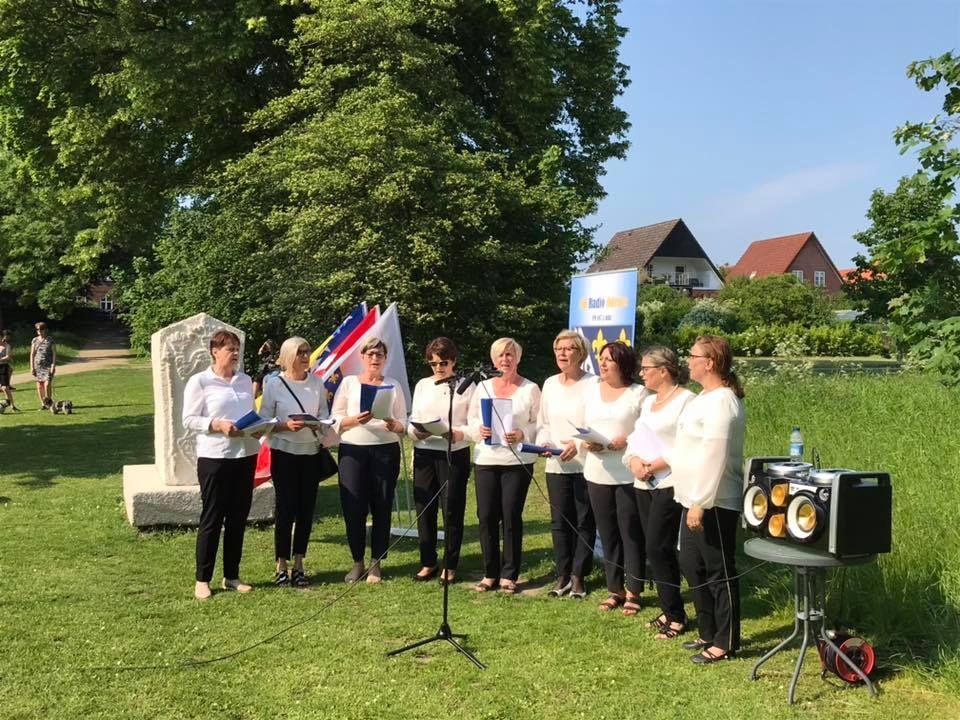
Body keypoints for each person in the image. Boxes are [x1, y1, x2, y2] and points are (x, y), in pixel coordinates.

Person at [644, 335, 745, 664]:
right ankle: (706, 630)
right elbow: (688, 447)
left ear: (710, 363)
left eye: (693, 355)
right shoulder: (704, 398)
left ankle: (725, 641)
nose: (688, 360)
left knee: (718, 571)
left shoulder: (723, 401)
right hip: (690, 496)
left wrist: (701, 502)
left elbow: (714, 455)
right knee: (692, 565)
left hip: (715, 500)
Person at [182, 329, 261, 600]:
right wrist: (216, 425)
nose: (235, 353)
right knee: (212, 518)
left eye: (237, 348)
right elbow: (189, 419)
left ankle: (232, 575)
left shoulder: (244, 380)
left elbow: (248, 414)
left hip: (245, 454)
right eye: (230, 348)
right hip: (215, 457)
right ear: (215, 351)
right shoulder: (200, 381)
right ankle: (202, 579)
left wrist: (258, 427)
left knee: (238, 518)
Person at [625, 346, 695, 639]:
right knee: (653, 548)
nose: (641, 374)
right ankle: (668, 610)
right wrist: (634, 462)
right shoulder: (648, 402)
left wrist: (654, 464)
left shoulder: (686, 401)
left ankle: (677, 616)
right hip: (643, 482)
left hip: (668, 481)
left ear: (664, 370)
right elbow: (635, 437)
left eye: (646, 369)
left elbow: (685, 443)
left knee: (659, 546)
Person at [467, 337, 541, 594]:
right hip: (486, 459)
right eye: (500, 355)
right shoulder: (483, 387)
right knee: (486, 516)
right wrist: (480, 429)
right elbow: (472, 419)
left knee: (510, 516)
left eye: (510, 355)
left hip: (516, 461)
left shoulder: (530, 388)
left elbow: (539, 423)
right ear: (493, 359)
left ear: (518, 358)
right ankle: (489, 572)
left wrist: (522, 433)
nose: (505, 359)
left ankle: (509, 574)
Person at [330, 337, 407, 584]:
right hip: (353, 450)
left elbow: (403, 422)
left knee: (382, 505)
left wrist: (395, 424)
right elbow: (336, 418)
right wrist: (355, 420)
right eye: (371, 354)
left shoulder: (393, 384)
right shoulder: (349, 383)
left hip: (385, 450)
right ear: (362, 357)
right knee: (354, 507)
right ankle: (357, 562)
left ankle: (376, 563)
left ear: (385, 359)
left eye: (380, 355)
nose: (375, 359)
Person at [260, 336, 332, 588]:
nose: (305, 356)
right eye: (300, 352)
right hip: (284, 452)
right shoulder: (274, 384)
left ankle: (299, 562)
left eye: (307, 351)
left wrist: (318, 423)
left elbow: (324, 414)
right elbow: (263, 420)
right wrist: (284, 426)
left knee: (306, 510)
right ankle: (281, 563)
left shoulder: (316, 382)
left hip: (310, 452)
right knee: (285, 509)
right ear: (288, 355)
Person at [582, 341, 648, 615]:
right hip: (597, 471)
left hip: (626, 473)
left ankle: (634, 591)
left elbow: (648, 430)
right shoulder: (592, 390)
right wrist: (588, 443)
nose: (603, 363)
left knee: (630, 533)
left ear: (623, 363)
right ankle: (614, 589)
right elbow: (584, 427)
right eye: (601, 358)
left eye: (610, 359)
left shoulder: (639, 393)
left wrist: (627, 440)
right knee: (607, 533)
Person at [535, 330, 597, 599]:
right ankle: (562, 574)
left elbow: (596, 424)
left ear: (581, 353)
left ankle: (578, 575)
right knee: (560, 521)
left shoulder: (593, 384)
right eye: (559, 348)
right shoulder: (549, 384)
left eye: (569, 348)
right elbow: (543, 423)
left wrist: (578, 444)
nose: (562, 353)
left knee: (584, 520)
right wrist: (544, 443)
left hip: (585, 463)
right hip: (556, 464)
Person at [407, 337, 474, 584]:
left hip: (453, 451)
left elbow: (475, 423)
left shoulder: (466, 386)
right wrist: (417, 431)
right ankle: (428, 562)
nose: (438, 367)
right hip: (425, 449)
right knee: (425, 508)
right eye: (433, 363)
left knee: (452, 508)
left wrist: (457, 433)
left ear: (453, 361)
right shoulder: (423, 385)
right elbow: (414, 418)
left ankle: (450, 564)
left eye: (443, 362)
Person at [29, 322, 56, 408]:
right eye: (37, 329)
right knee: (40, 385)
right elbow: (32, 354)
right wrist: (32, 367)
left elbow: (54, 354)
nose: (39, 331)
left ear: (45, 330)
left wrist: (53, 365)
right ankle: (43, 403)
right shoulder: (34, 340)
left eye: (41, 329)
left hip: (48, 366)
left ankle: (49, 402)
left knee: (47, 384)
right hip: (38, 366)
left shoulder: (50, 340)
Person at [0, 331, 17, 410]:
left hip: (3, 367)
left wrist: (0, 359)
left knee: (5, 388)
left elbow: (8, 357)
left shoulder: (7, 346)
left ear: (2, 337)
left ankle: (12, 405)